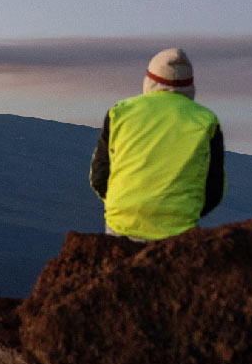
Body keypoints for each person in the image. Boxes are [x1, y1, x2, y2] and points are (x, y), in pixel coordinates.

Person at [89, 48, 225, 241]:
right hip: (179, 233)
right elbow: (214, 189)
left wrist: (124, 206)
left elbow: (100, 177)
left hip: (122, 228)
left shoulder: (120, 113)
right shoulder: (207, 121)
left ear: (150, 80)